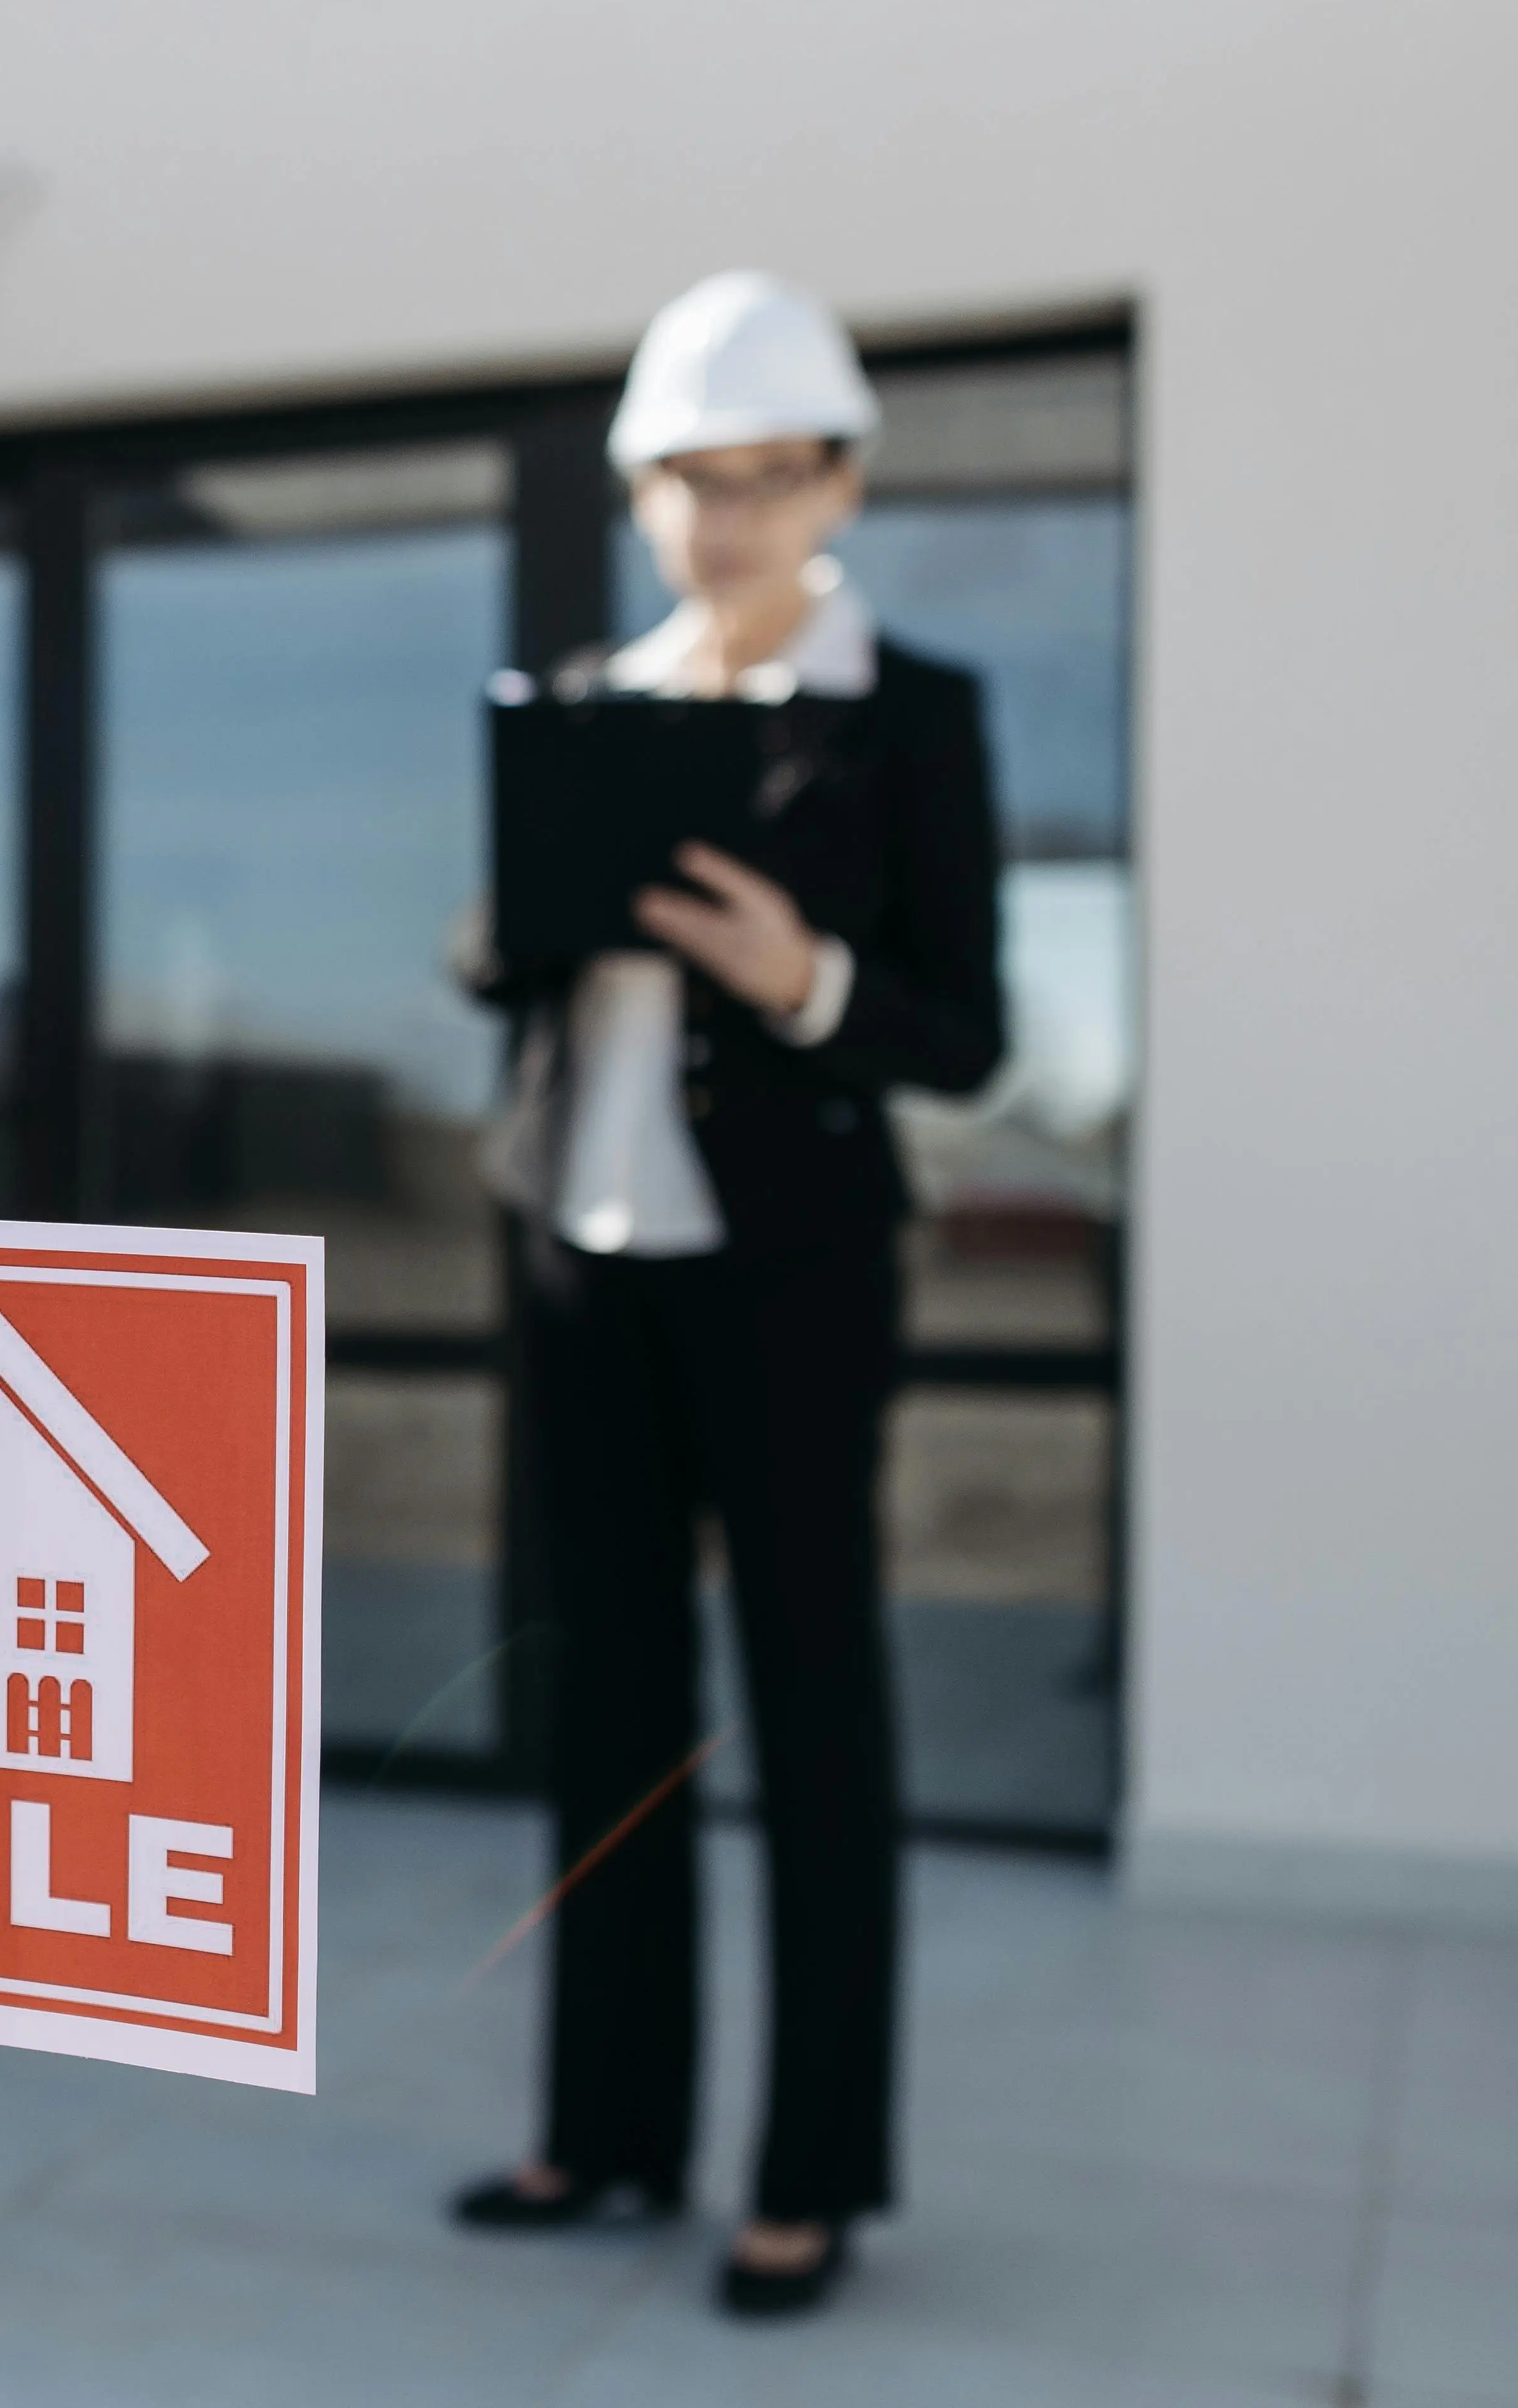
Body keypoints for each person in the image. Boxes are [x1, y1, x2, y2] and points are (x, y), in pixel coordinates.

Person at [447, 273, 1004, 2317]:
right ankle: (602, 2132)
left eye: (767, 478)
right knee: (604, 1713)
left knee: (809, 1709)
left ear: (838, 480)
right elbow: (528, 984)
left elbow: (962, 1033)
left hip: (784, 1283)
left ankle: (806, 2172)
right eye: (688, 479)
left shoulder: (909, 712)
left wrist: (805, 981)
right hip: (579, 1266)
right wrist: (493, 933)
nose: (726, 519)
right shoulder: (588, 697)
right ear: (636, 490)